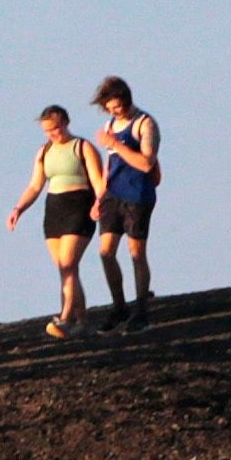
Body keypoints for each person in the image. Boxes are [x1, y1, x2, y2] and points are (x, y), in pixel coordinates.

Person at [9, 101, 100, 337]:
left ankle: (64, 316)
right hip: (54, 210)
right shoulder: (44, 151)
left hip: (80, 207)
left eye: (56, 129)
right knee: (65, 269)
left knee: (68, 263)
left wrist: (100, 202)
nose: (53, 134)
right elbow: (35, 185)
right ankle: (81, 322)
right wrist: (19, 208)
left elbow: (99, 182)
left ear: (66, 123)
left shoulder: (82, 147)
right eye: (48, 131)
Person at [90, 81, 163, 321]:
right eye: (110, 109)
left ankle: (141, 307)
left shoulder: (145, 124)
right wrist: (98, 197)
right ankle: (119, 306)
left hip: (138, 194)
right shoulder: (110, 124)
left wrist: (114, 144)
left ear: (127, 101)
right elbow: (109, 165)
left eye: (118, 107)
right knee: (105, 252)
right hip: (112, 195)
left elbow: (146, 163)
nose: (114, 112)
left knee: (136, 253)